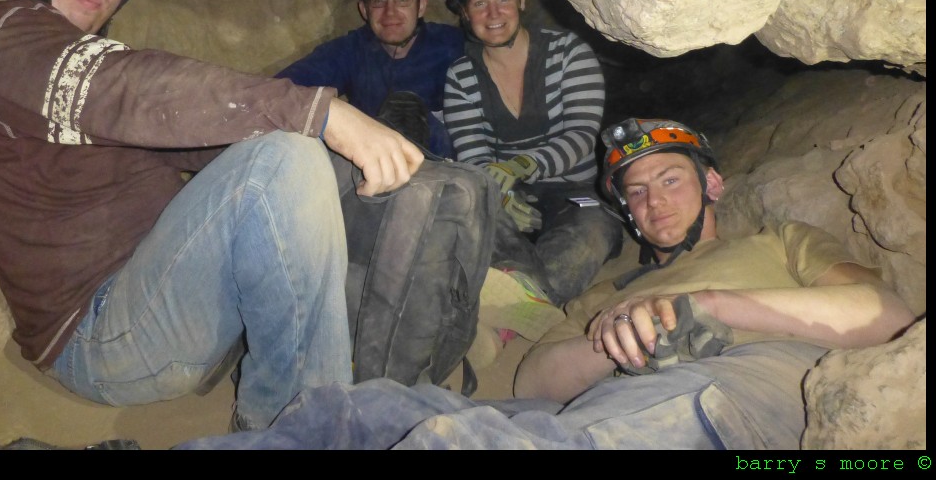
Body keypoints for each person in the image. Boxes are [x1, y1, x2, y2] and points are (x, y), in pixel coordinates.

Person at [0, 0, 424, 435]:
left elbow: (192, 135)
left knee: (303, 158)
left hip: (169, 296)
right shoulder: (1, 38)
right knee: (284, 158)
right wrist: (324, 115)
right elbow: (136, 92)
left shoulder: (76, 62)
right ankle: (302, 433)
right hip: (103, 334)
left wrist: (350, 154)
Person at [168, 116, 915, 449]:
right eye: (638, 192)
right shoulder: (609, 290)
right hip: (592, 407)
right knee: (358, 413)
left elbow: (885, 316)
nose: (653, 200)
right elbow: (539, 374)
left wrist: (711, 306)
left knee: (460, 441)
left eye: (670, 180)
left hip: (732, 393)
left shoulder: (777, 243)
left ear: (713, 183)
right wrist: (615, 343)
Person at [442, 0, 624, 319]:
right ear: (464, 14)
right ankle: (477, 309)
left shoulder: (569, 53)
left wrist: (522, 165)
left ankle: (511, 315)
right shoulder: (461, 77)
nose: (494, 14)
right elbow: (474, 156)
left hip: (573, 191)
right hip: (508, 195)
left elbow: (581, 135)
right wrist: (501, 193)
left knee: (592, 231)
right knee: (465, 228)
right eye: (479, 4)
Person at [275, 0, 464, 158]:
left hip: (447, 170)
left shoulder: (453, 45)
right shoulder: (351, 51)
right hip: (374, 168)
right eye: (378, 1)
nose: (390, 12)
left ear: (421, 6)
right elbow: (281, 91)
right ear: (364, 10)